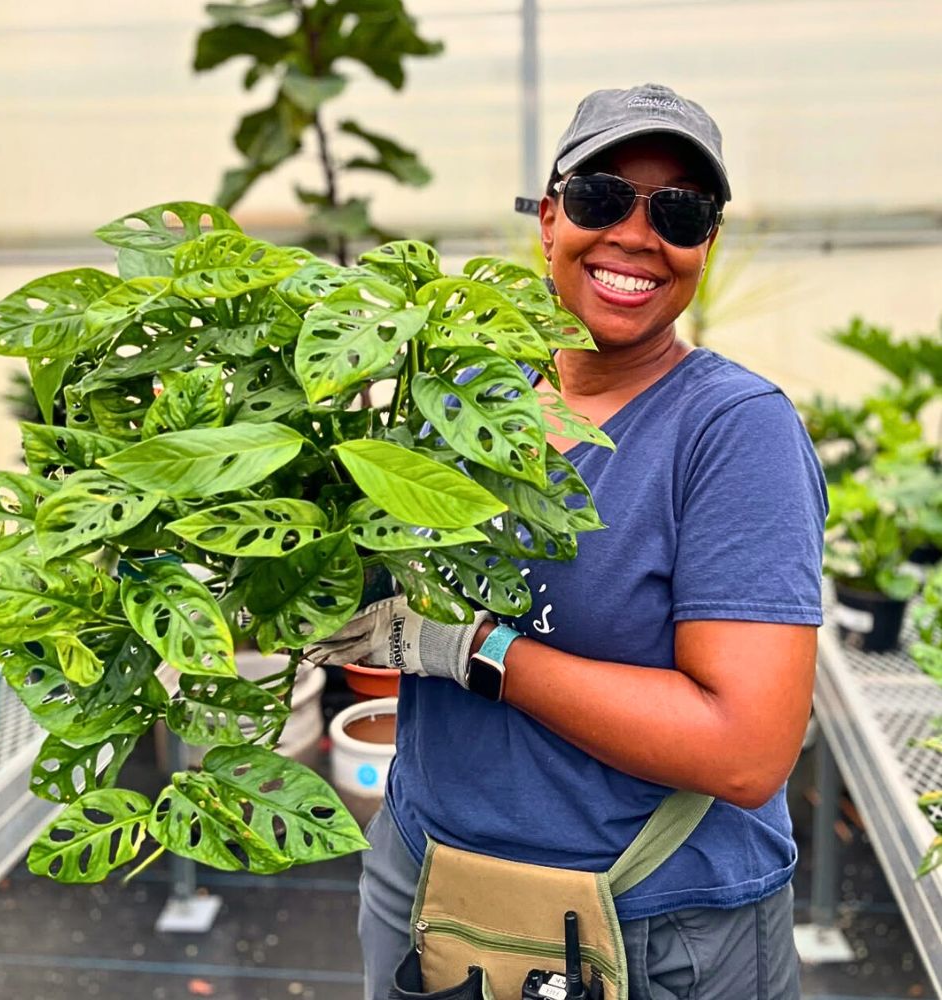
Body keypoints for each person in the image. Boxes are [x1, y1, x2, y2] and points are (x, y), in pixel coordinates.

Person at [309, 82, 827, 1000]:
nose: (635, 234)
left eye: (679, 210)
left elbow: (745, 749)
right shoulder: (456, 392)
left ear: (707, 243)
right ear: (549, 219)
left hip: (662, 929)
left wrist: (470, 650)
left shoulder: (733, 431)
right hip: (428, 891)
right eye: (599, 198)